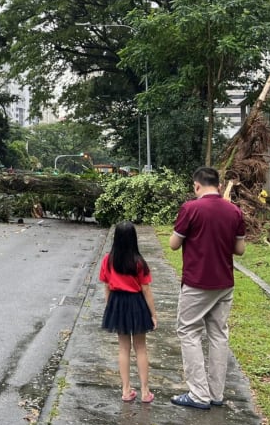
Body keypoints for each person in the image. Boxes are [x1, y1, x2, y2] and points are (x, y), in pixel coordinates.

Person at [169, 166, 246, 410]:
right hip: (224, 283)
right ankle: (215, 393)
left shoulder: (190, 209)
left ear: (197, 186)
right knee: (218, 335)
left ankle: (198, 394)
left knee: (189, 332)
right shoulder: (235, 211)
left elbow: (173, 244)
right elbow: (240, 250)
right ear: (220, 186)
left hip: (197, 283)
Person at [99, 221, 158, 404]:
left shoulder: (108, 260)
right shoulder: (139, 262)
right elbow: (146, 289)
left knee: (123, 348)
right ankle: (145, 391)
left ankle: (125, 390)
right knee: (141, 348)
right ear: (134, 239)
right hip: (137, 303)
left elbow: (107, 286)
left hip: (117, 302)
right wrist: (153, 314)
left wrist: (111, 307)